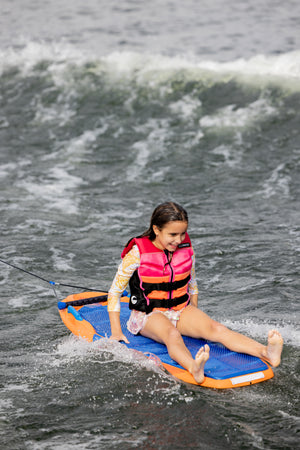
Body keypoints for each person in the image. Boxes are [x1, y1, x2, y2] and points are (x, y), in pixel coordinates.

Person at [107, 201, 283, 384]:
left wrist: (194, 314)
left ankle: (266, 352)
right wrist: (116, 332)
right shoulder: (137, 253)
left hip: (180, 309)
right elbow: (114, 292)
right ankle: (194, 367)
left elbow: (192, 283)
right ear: (156, 229)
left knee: (217, 329)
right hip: (149, 314)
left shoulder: (185, 248)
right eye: (173, 234)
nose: (179, 240)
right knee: (172, 335)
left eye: (182, 233)